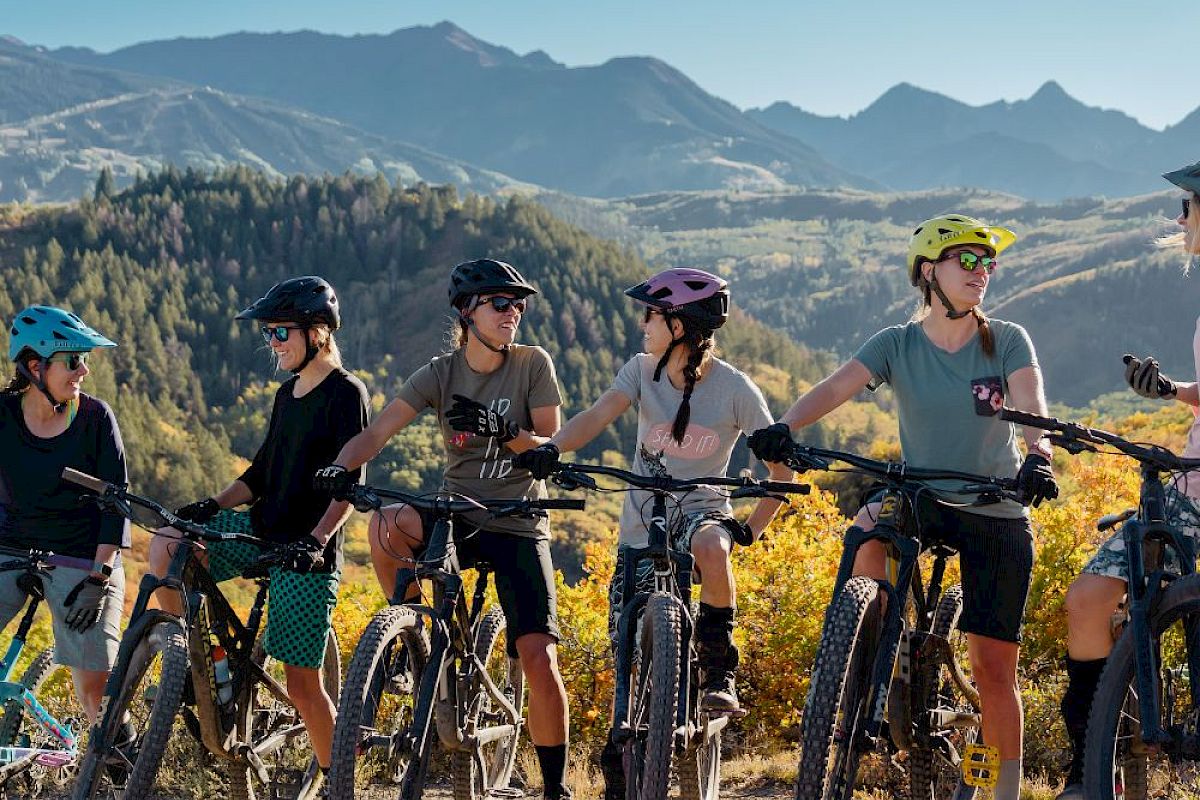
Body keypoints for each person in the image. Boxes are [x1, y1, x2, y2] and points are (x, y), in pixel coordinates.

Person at [748, 215, 1059, 800]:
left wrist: (1039, 455)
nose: (981, 272)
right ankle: (867, 648)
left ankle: (1003, 792)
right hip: (922, 496)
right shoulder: (897, 343)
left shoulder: (1007, 339)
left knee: (994, 670)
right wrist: (782, 426)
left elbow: (1031, 401)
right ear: (928, 271)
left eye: (987, 262)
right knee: (865, 532)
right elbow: (837, 387)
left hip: (995, 506)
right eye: (966, 259)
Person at [513, 267, 793, 794]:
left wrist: (751, 529)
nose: (643, 323)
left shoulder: (735, 388)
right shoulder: (641, 370)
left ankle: (717, 666)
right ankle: (633, 741)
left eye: (652, 315)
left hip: (702, 511)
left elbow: (782, 470)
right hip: (641, 525)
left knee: (713, 544)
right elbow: (597, 416)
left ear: (681, 326)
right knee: (625, 642)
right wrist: (551, 449)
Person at [316, 258, 573, 800]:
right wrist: (341, 467)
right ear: (467, 311)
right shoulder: (440, 373)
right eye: (500, 303)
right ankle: (411, 637)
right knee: (386, 525)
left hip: (518, 520)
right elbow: (379, 431)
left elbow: (551, 446)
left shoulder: (532, 364)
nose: (513, 313)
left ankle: (555, 787)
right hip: (458, 512)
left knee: (538, 656)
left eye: (518, 304)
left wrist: (502, 431)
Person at [151, 276, 369, 781]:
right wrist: (211, 505)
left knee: (301, 684)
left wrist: (315, 542)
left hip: (307, 551)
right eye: (268, 333)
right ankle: (207, 662)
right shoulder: (286, 394)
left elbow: (350, 486)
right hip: (260, 530)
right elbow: (261, 473)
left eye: (280, 333)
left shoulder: (346, 393)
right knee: (168, 545)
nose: (272, 343)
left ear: (317, 332)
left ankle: (338, 779)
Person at [1054, 161, 1200, 800]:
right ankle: (1091, 770)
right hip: (1192, 488)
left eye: (1188, 207)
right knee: (1088, 600)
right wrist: (1171, 391)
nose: (1180, 219)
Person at [0, 305, 129, 722]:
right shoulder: (2, 415)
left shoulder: (95, 419)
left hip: (84, 557)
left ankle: (119, 771)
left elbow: (117, 505)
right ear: (34, 367)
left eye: (85, 360)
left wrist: (100, 576)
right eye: (73, 361)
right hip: (10, 548)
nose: (84, 371)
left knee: (97, 692)